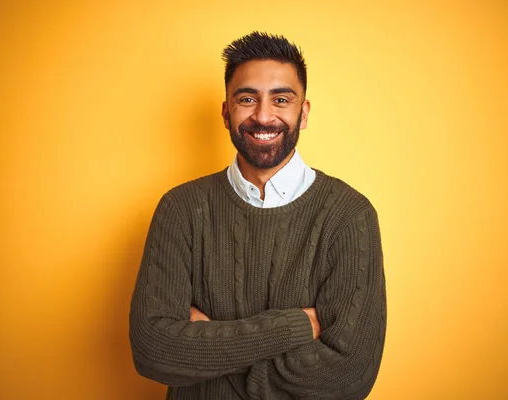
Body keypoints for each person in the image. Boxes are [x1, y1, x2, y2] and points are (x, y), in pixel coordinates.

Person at [129, 31, 386, 400]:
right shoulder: (181, 208)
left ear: (304, 112)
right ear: (225, 112)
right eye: (247, 99)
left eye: (281, 99)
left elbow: (348, 377)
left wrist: (209, 349)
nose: (263, 116)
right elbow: (154, 351)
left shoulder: (350, 216)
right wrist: (297, 326)